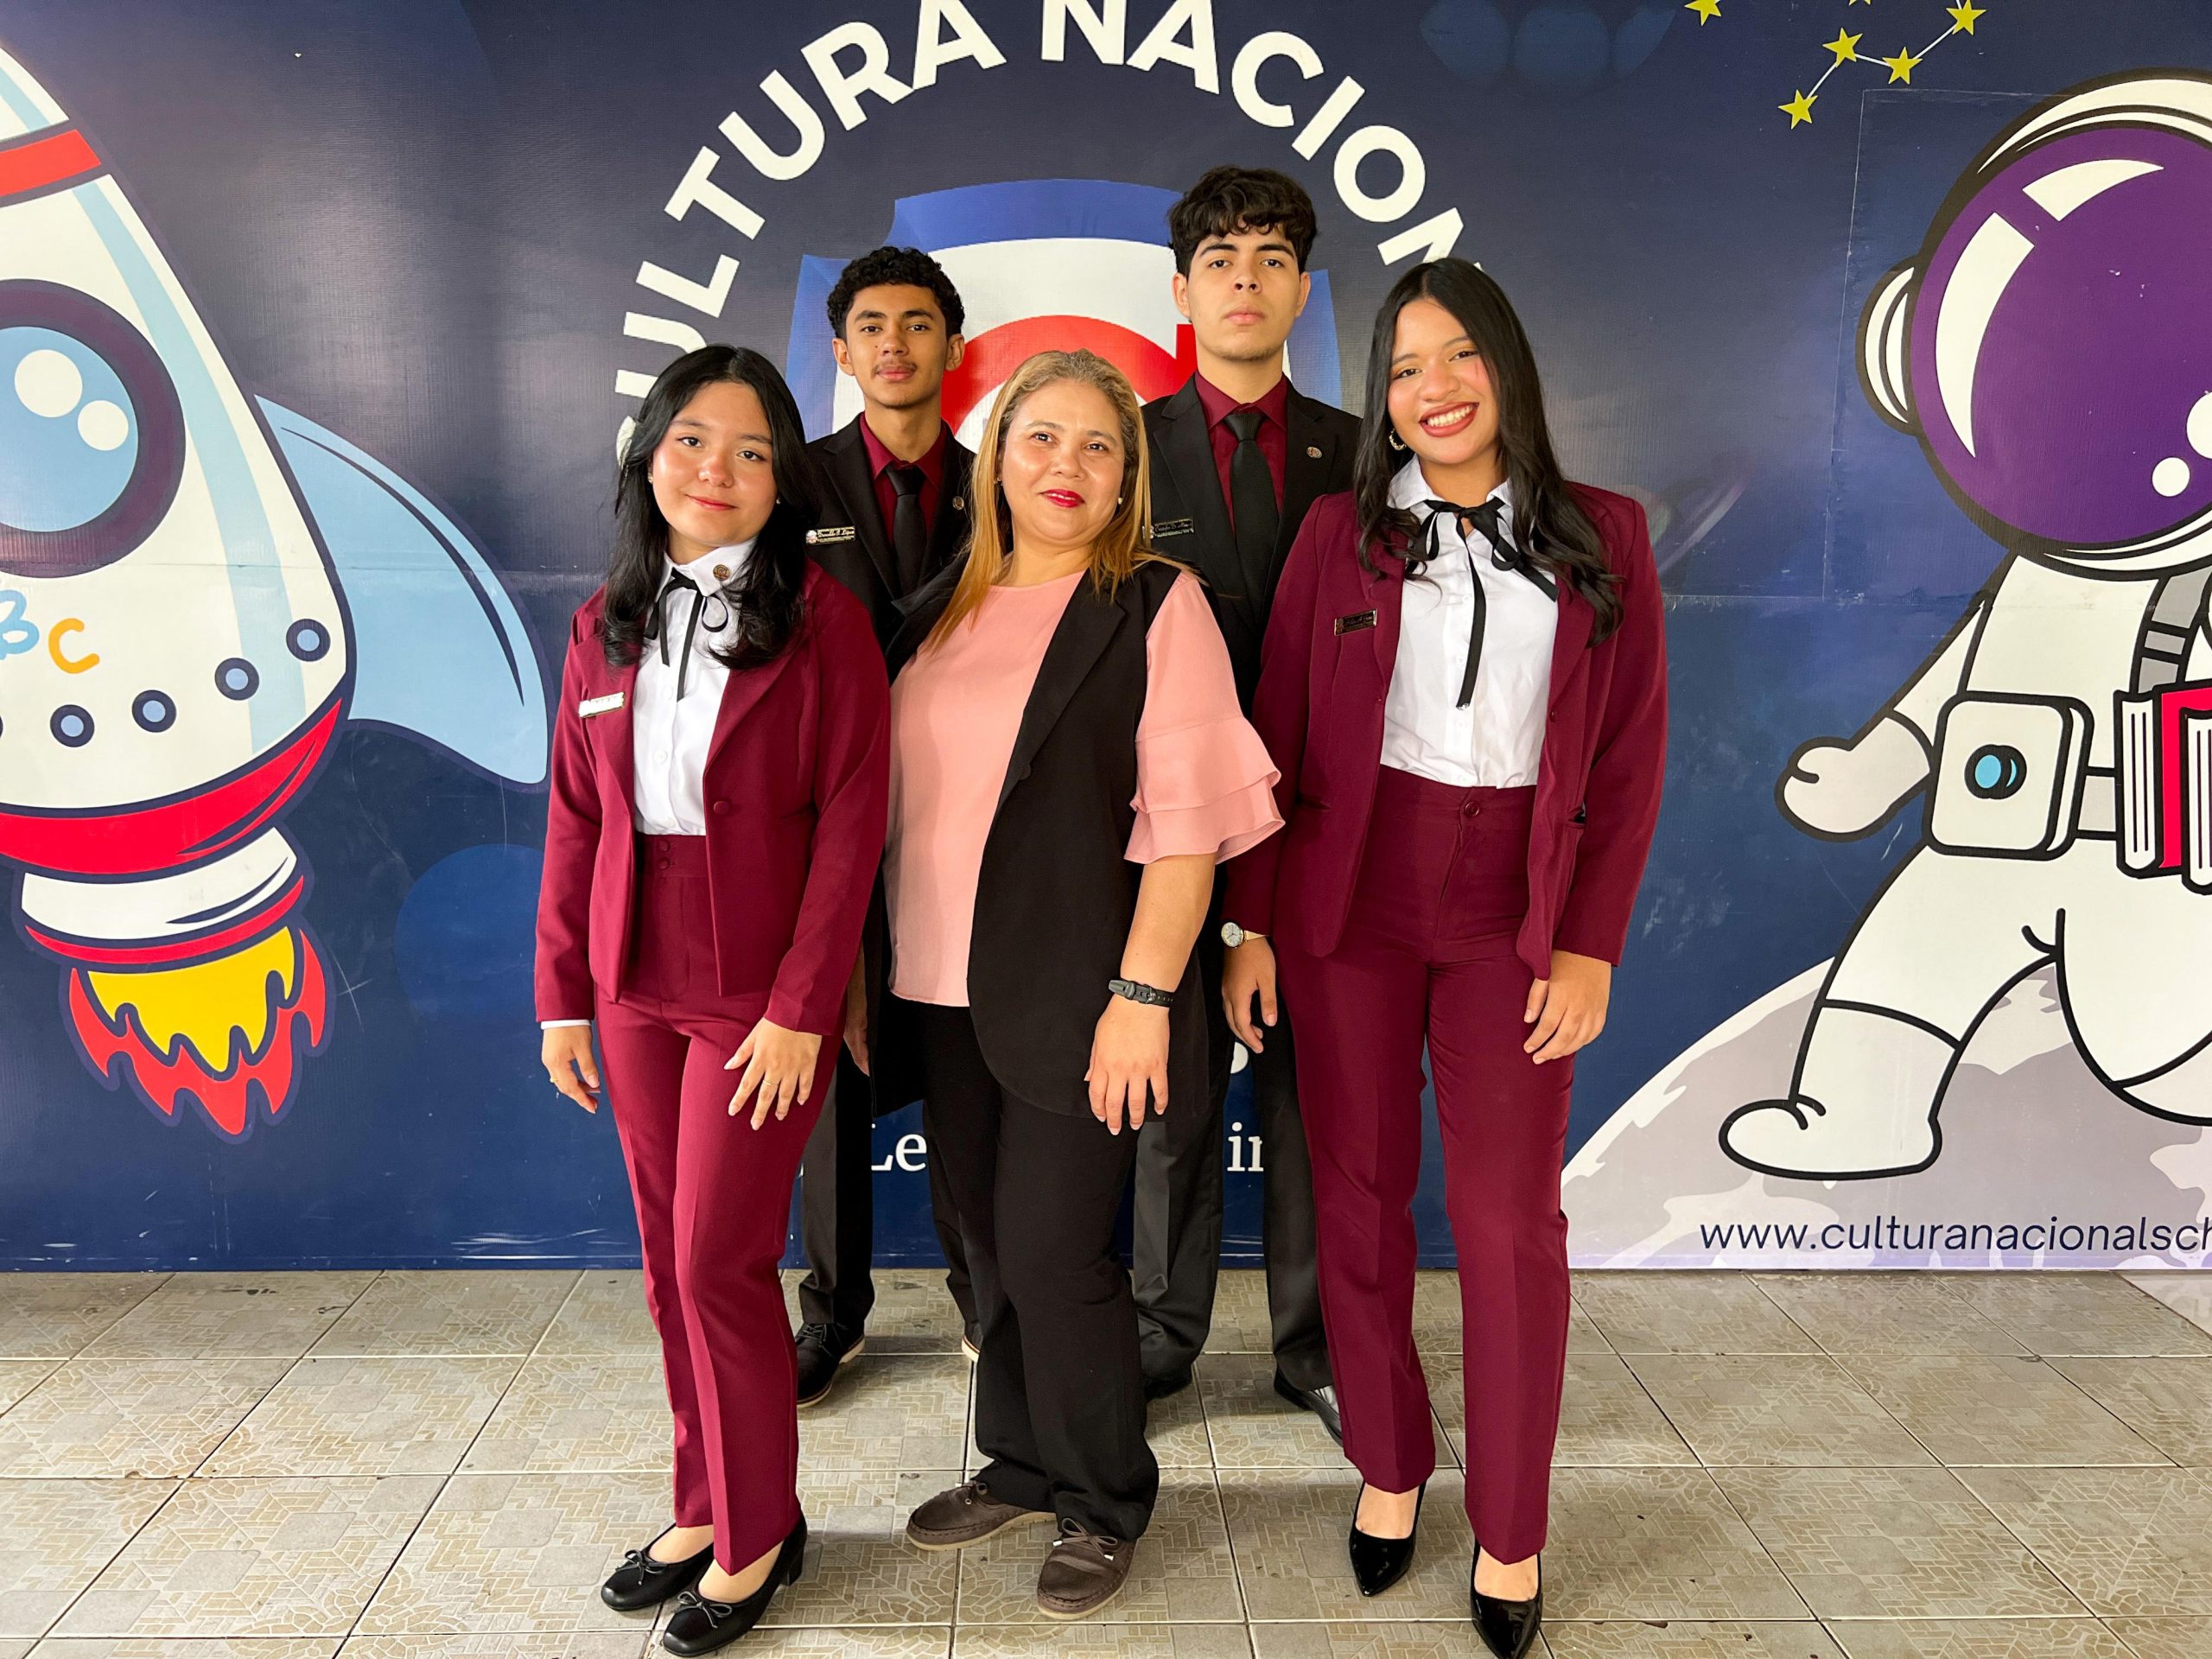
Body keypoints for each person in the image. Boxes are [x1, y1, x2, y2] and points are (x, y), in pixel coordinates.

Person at [1222, 259, 1667, 1658]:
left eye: (1459, 354)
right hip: (1347, 903)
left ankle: (1513, 1527)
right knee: (1355, 1200)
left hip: (1512, 913)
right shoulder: (1339, 534)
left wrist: (1587, 943)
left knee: (1506, 1222)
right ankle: (1391, 1461)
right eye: (1405, 368)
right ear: (1385, 399)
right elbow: (1277, 730)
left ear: (1507, 365)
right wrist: (1249, 922)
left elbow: (1629, 761)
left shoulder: (1605, 534)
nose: (1435, 388)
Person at [880, 350, 1280, 1618]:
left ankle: (1104, 1497)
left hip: (1084, 994)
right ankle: (1018, 1461)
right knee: (987, 1248)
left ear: (1127, 480)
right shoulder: (936, 607)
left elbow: (1189, 832)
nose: (1068, 465)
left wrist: (1143, 1000)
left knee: (1060, 1254)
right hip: (938, 990)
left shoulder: (1155, 605)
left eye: (1099, 446)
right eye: (1041, 438)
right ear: (997, 460)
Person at [537, 345, 889, 1655]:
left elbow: (853, 825)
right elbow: (577, 817)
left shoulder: (826, 622)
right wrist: (562, 998)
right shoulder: (603, 623)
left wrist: (804, 1005)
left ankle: (757, 1536)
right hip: (633, 970)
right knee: (661, 1262)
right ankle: (705, 1504)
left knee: (716, 1263)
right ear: (649, 457)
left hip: (760, 984)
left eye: (751, 451)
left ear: (783, 478)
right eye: (692, 440)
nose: (717, 471)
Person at [1135, 164, 1357, 1429]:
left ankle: (1313, 1345)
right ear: (1181, 291)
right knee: (1169, 1094)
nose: (1245, 280)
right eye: (1219, 260)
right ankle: (1161, 1334)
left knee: (1310, 1095)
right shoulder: (1126, 448)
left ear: (1302, 290)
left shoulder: (1361, 452)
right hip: (1166, 822)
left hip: (1322, 827)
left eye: (1272, 258)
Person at [797, 245, 981, 1406]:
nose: (895, 345)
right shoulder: (792, 483)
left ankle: (983, 1296)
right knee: (825, 1072)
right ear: (841, 350)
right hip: (825, 815)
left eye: (917, 324)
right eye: (872, 326)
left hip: (962, 815)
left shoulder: (1001, 484)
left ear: (954, 345)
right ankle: (832, 1311)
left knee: (965, 1062)